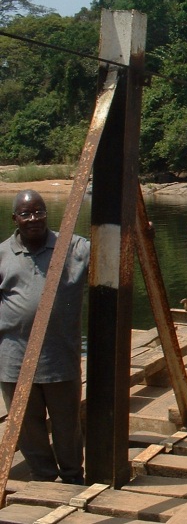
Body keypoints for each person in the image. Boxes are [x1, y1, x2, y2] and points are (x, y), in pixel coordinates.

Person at [0, 190, 90, 484]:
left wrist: (139, 234)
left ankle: (73, 477)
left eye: (39, 212)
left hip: (59, 359)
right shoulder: (2, 255)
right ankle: (42, 479)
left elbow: (112, 249)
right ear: (15, 219)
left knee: (67, 427)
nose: (34, 219)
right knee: (28, 427)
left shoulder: (72, 248)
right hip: (15, 361)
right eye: (26, 214)